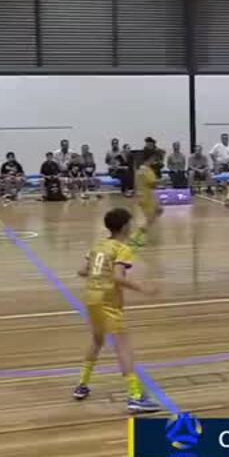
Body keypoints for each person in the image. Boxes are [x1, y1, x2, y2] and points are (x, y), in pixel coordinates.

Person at [73, 207, 162, 413]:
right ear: (124, 227)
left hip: (90, 298)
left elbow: (83, 271)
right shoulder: (122, 249)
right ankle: (135, 396)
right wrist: (144, 288)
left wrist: (98, 274)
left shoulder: (99, 245)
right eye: (130, 224)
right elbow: (118, 277)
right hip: (108, 301)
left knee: (97, 340)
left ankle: (82, 385)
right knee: (123, 347)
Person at [131, 150, 164, 247]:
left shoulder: (140, 170)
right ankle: (136, 237)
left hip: (145, 195)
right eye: (153, 158)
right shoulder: (146, 170)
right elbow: (152, 183)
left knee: (158, 211)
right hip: (147, 197)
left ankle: (140, 236)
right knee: (149, 219)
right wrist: (161, 181)